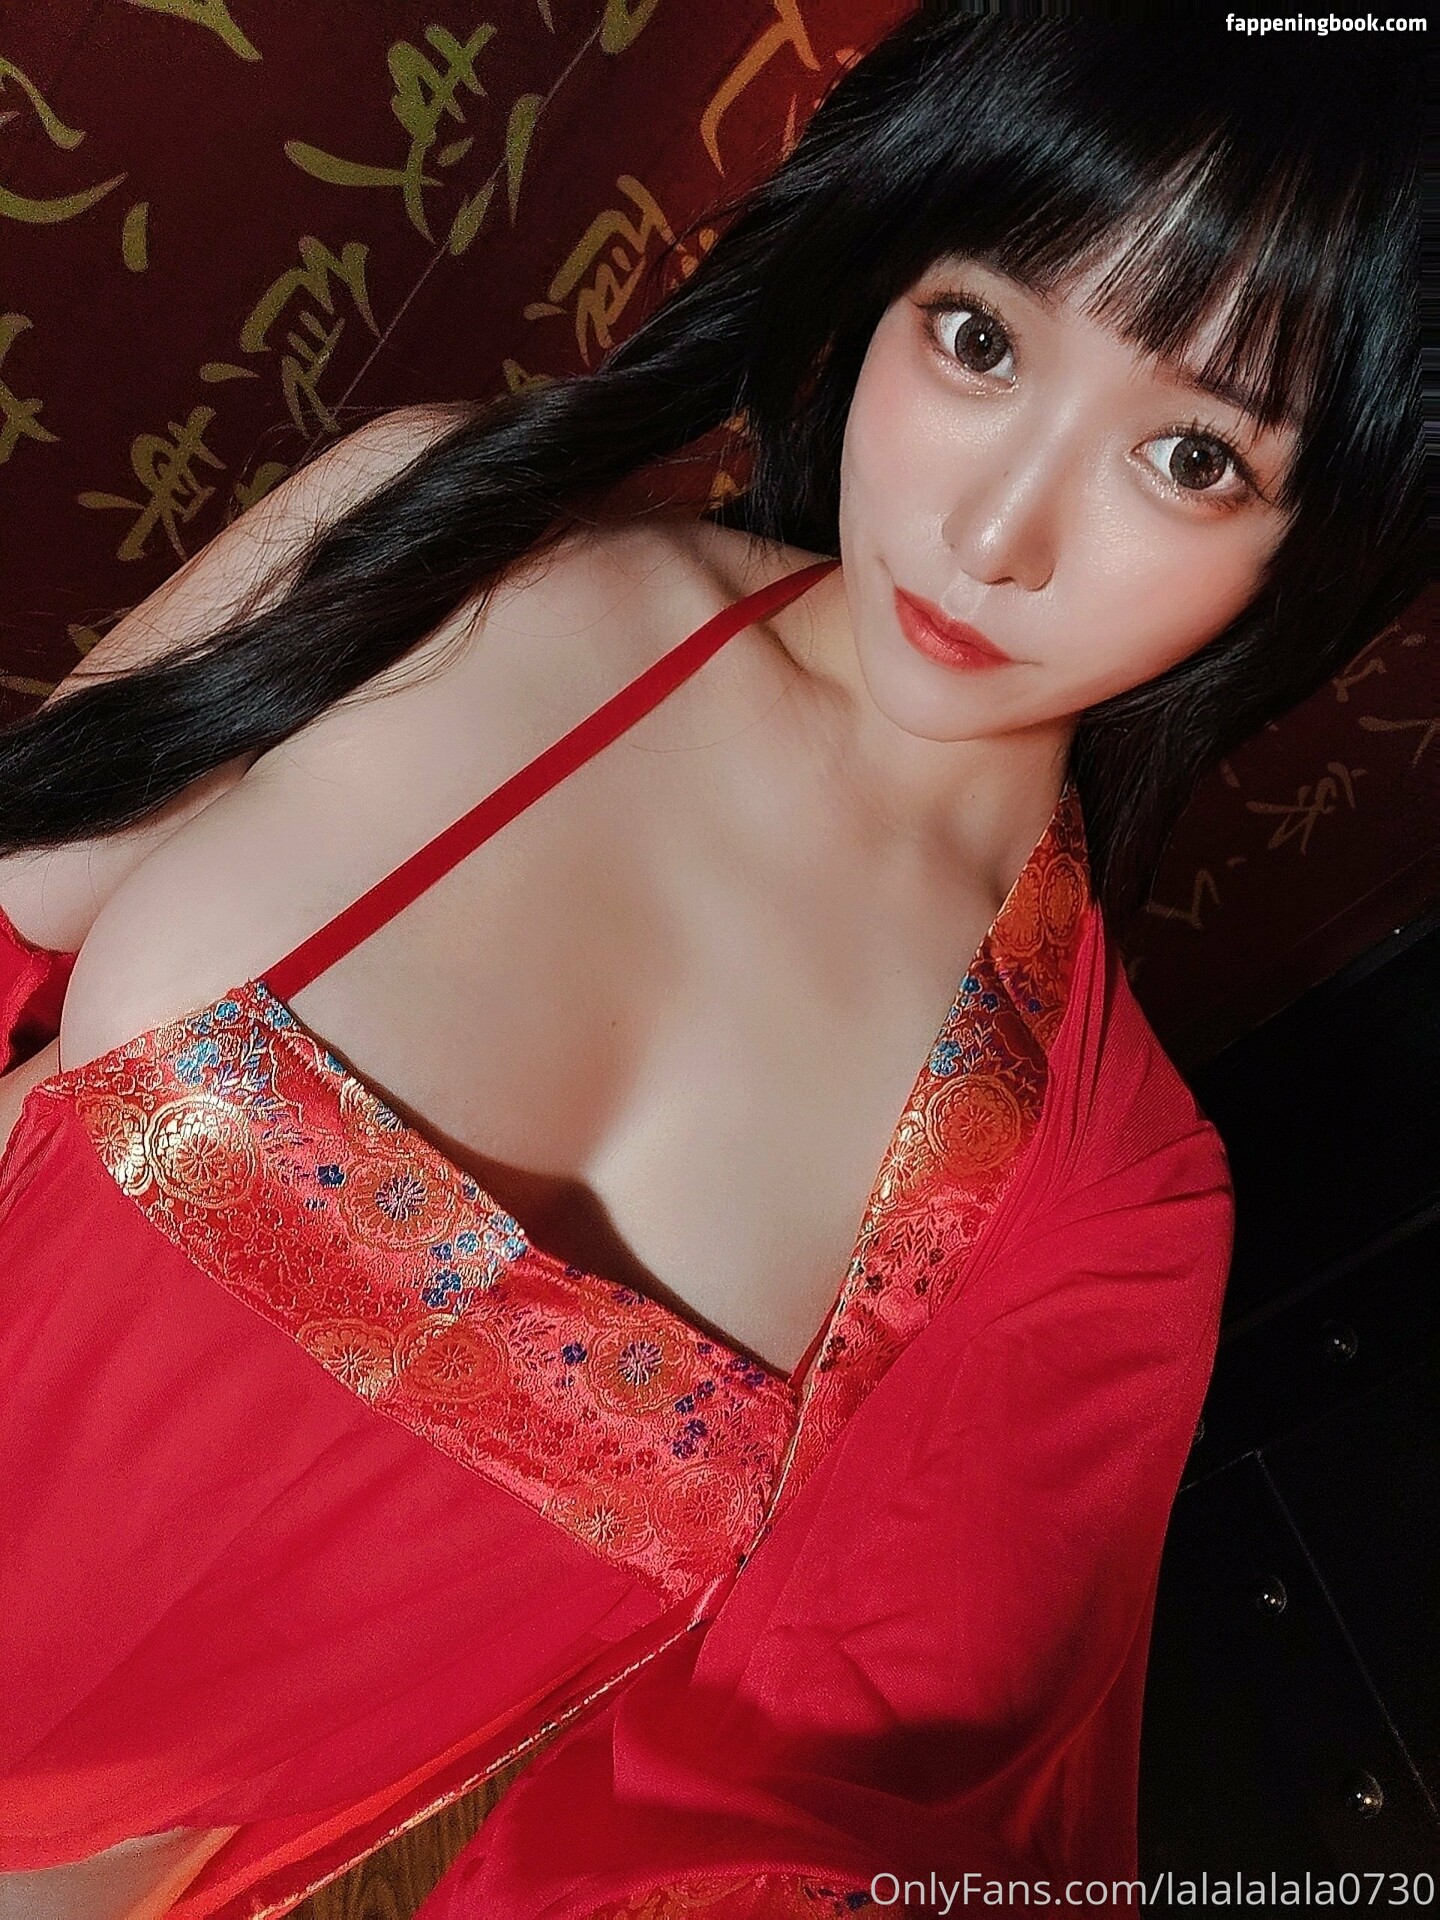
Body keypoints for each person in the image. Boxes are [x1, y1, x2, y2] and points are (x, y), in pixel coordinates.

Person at [0, 14, 1420, 1920]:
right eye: (980, 339)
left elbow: (827, 1830)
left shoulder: (1099, 1204)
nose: (994, 532)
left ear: (1317, 550)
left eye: (1191, 456)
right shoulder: (459, 544)